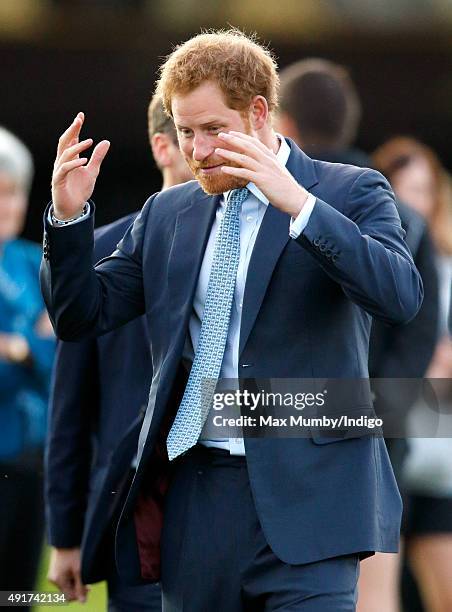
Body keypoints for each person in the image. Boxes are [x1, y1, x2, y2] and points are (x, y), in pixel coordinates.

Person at [41, 29, 423, 612]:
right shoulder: (168, 211)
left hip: (311, 498)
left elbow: (399, 297)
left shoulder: (349, 191)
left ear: (259, 112)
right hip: (198, 496)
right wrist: (68, 221)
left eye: (214, 130)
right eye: (186, 132)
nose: (197, 150)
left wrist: (298, 204)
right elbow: (81, 316)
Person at [277, 59, 439, 612]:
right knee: (375, 591)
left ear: (284, 122)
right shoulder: (398, 211)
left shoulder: (277, 200)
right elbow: (418, 331)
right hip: (381, 423)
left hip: (284, 422)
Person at [45, 95, 192, 610]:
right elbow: (70, 405)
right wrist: (66, 533)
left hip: (220, 506)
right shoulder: (105, 251)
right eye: (190, 135)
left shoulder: (246, 249)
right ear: (163, 146)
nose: (208, 151)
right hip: (130, 510)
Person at [373, 136, 452, 612]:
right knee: (379, 589)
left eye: (426, 191)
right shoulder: (371, 264)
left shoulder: (444, 266)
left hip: (439, 444)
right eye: (408, 190)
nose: (416, 203)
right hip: (387, 432)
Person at [0, 127, 55, 603]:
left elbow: (63, 364)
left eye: (14, 193)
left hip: (32, 461)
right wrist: (33, 343)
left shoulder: (33, 264)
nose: (7, 206)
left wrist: (22, 349)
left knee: (20, 594)